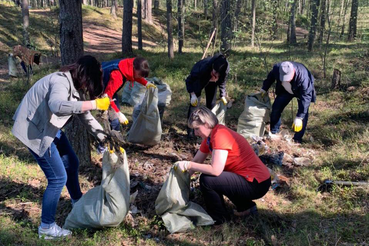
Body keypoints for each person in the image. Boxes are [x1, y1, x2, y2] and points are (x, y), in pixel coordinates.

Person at [12, 55, 111, 239]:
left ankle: (77, 201)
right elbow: (57, 106)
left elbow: (86, 116)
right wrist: (94, 103)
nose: (86, 89)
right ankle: (47, 227)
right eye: (88, 83)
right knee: (57, 177)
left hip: (49, 126)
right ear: (83, 76)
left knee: (71, 162)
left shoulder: (75, 86)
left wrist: (104, 138)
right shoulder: (60, 81)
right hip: (34, 129)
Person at [175, 106, 271, 225]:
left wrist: (189, 165)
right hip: (252, 179)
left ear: (206, 124)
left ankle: (219, 219)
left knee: (208, 179)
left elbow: (215, 170)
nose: (195, 133)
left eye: (197, 129)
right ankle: (246, 207)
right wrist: (180, 180)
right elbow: (197, 161)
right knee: (221, 179)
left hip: (257, 182)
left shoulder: (220, 135)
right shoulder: (209, 138)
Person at [261, 61, 316, 143]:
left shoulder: (303, 78)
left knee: (302, 116)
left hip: (300, 92)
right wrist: (264, 88)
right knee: (276, 108)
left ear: (293, 72)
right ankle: (274, 132)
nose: (286, 80)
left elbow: (306, 97)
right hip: (285, 90)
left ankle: (297, 139)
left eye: (288, 77)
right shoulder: (277, 69)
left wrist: (300, 117)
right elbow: (271, 77)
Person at [102, 57, 156, 131]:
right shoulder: (117, 76)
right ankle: (108, 139)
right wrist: (118, 113)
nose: (141, 77)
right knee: (115, 121)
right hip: (99, 88)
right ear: (134, 68)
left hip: (109, 90)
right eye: (140, 74)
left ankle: (115, 135)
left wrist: (146, 83)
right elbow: (107, 97)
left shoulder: (128, 65)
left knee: (115, 118)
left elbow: (135, 76)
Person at [185, 53, 229, 139]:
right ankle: (191, 131)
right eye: (215, 73)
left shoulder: (224, 68)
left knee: (211, 105)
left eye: (218, 76)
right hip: (199, 81)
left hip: (212, 84)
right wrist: (192, 94)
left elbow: (223, 81)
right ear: (213, 67)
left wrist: (222, 94)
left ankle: (208, 128)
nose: (216, 76)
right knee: (194, 105)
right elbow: (189, 81)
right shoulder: (201, 68)